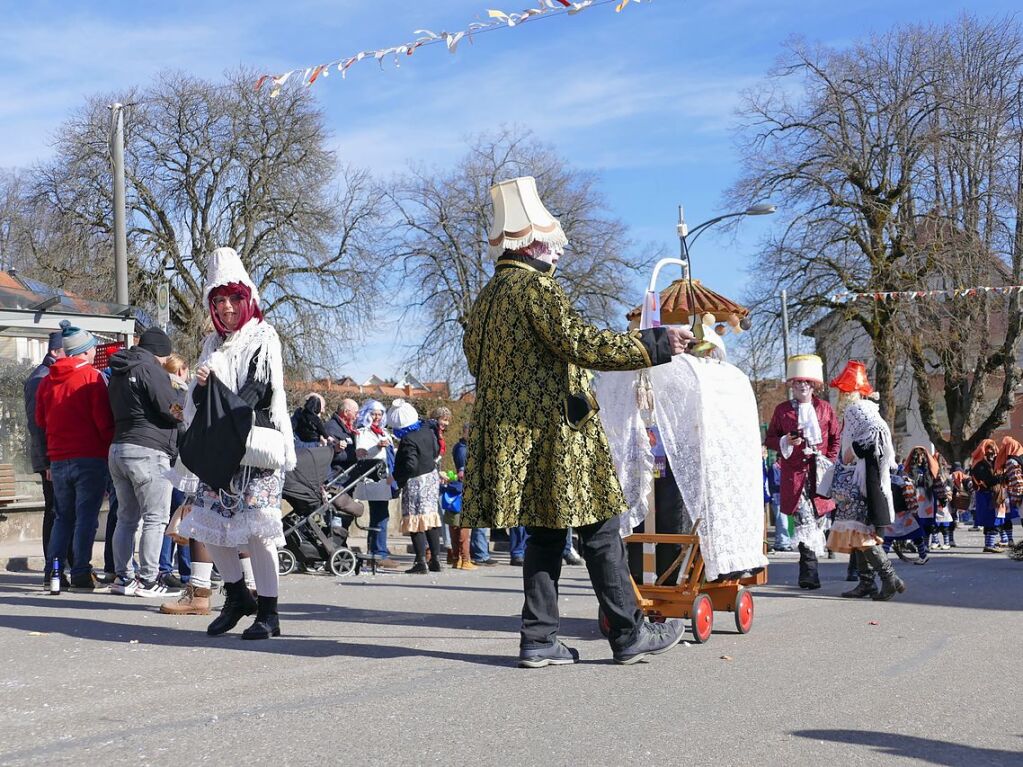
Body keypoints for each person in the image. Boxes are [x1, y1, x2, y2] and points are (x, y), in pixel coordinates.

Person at [461, 176, 691, 667]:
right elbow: (580, 342)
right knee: (602, 530)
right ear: (531, 241)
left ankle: (538, 639)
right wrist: (654, 344)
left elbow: (476, 364)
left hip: (516, 437)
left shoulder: (485, 300)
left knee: (544, 536)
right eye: (552, 243)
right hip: (560, 436)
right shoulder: (536, 289)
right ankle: (629, 634)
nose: (558, 252)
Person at [178, 246, 296, 639]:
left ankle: (269, 611)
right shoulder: (212, 343)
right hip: (219, 447)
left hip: (254, 446)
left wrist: (222, 405)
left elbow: (258, 389)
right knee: (208, 525)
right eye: (219, 300)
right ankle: (235, 596)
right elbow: (198, 402)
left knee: (259, 531)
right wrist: (198, 389)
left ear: (247, 297)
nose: (227, 307)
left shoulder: (263, 336)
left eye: (234, 298)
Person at [35, 320, 115, 591]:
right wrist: (108, 449)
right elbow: (103, 422)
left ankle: (53, 573)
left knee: (62, 517)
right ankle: (81, 571)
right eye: (92, 347)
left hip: (58, 458)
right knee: (86, 518)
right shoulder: (91, 378)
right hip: (89, 457)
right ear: (84, 351)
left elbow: (40, 419)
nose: (95, 351)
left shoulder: (47, 381)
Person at [106, 326, 183, 598]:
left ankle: (123, 578)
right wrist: (184, 408)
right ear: (159, 352)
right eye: (164, 356)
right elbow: (171, 409)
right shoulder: (150, 369)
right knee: (155, 518)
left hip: (118, 449)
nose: (165, 362)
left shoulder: (119, 370)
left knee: (126, 518)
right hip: (148, 451)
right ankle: (149, 581)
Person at [826, 362, 906, 601]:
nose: (840, 395)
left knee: (861, 535)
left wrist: (855, 450)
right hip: (864, 481)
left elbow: (876, 432)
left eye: (843, 390)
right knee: (857, 532)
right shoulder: (865, 407)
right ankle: (867, 583)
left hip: (862, 484)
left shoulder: (857, 408)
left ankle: (890, 578)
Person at [763, 355, 841, 590]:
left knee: (817, 522)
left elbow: (836, 438)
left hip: (820, 475)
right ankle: (809, 572)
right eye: (798, 382)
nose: (802, 386)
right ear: (792, 386)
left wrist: (829, 460)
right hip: (795, 476)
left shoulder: (825, 409)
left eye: (806, 382)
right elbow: (770, 439)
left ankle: (812, 565)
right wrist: (786, 441)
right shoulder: (782, 411)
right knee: (803, 521)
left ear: (813, 385)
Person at [23, 331, 70, 588]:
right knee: (54, 511)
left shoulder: (47, 376)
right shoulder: (40, 379)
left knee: (60, 511)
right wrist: (48, 462)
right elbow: (37, 425)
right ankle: (52, 570)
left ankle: (61, 567)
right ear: (55, 352)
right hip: (51, 458)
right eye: (67, 351)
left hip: (54, 456)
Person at [389, 399, 445, 574]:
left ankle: (421, 561)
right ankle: (435, 560)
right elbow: (436, 451)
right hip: (431, 477)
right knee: (430, 519)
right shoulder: (428, 431)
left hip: (415, 482)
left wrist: (396, 477)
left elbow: (410, 465)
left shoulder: (408, 440)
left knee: (415, 521)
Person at [353, 400, 400, 570]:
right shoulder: (362, 432)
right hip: (372, 480)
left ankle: (375, 552)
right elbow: (361, 454)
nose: (377, 417)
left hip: (385, 479)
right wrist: (376, 447)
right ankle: (378, 554)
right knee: (380, 515)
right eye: (374, 414)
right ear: (367, 414)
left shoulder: (384, 432)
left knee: (380, 515)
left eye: (380, 414)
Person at [969, 439, 1005, 553]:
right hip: (985, 495)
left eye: (993, 450)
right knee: (990, 520)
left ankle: (989, 544)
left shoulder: (993, 462)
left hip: (993, 494)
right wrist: (1001, 478)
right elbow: (988, 480)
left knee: (993, 520)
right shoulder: (979, 465)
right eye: (989, 449)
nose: (992, 453)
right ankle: (989, 544)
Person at [994, 436, 1021, 548]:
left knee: (1005, 517)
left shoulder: (1012, 461)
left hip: (1012, 494)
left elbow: (1017, 481)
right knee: (1005, 518)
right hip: (1008, 493)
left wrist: (1017, 498)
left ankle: (1008, 539)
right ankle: (1008, 539)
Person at [324, 399, 359, 472]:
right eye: (355, 413)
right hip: (337, 475)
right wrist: (354, 454)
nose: (357, 416)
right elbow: (329, 454)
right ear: (346, 412)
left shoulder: (350, 428)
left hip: (349, 473)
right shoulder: (331, 428)